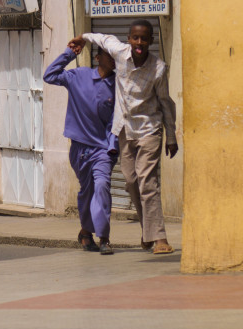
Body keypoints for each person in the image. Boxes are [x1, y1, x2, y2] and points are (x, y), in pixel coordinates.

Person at [71, 20, 178, 255]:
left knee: (147, 181)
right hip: (124, 130)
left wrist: (171, 135)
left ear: (151, 41)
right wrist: (82, 37)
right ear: (129, 39)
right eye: (135, 38)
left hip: (149, 129)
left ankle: (159, 237)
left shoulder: (158, 68)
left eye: (144, 39)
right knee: (131, 182)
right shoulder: (119, 52)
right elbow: (101, 38)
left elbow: (166, 103)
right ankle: (147, 231)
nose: (139, 43)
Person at [43, 42, 118, 255]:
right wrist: (70, 52)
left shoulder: (118, 86)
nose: (113, 58)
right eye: (108, 54)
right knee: (87, 191)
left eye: (115, 54)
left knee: (102, 185)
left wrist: (112, 148)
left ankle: (104, 238)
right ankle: (86, 232)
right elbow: (50, 75)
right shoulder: (78, 76)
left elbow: (116, 121)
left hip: (103, 149)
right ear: (97, 57)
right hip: (79, 150)